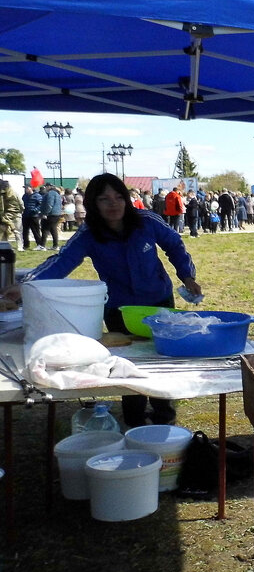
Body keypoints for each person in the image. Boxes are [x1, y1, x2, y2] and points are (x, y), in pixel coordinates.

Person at [12, 173, 203, 427]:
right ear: (93, 204)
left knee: (161, 361)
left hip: (159, 301)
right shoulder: (89, 233)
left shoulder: (147, 221)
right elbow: (62, 261)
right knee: (126, 364)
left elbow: (175, 245)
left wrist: (188, 276)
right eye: (104, 199)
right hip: (117, 309)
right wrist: (26, 286)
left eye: (118, 197)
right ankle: (134, 421)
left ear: (126, 199)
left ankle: (164, 418)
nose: (113, 204)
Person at [0, 180, 24, 251]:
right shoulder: (14, 193)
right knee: (17, 231)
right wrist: (21, 211)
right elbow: (21, 203)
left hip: (5, 215)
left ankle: (3, 246)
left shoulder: (1, 194)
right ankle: (20, 247)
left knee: (4, 231)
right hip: (16, 214)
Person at [40, 184, 62, 250]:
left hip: (51, 214)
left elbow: (49, 204)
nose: (45, 188)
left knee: (45, 229)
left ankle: (42, 245)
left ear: (49, 187)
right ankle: (55, 245)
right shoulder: (57, 194)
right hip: (57, 214)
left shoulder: (50, 193)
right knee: (53, 230)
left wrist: (45, 213)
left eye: (46, 186)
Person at [21, 186, 43, 250]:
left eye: (27, 188)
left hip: (34, 216)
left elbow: (41, 204)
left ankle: (39, 244)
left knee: (35, 231)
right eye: (25, 188)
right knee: (25, 231)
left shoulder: (37, 196)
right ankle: (26, 245)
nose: (26, 189)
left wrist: (35, 210)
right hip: (25, 215)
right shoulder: (24, 196)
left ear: (31, 188)